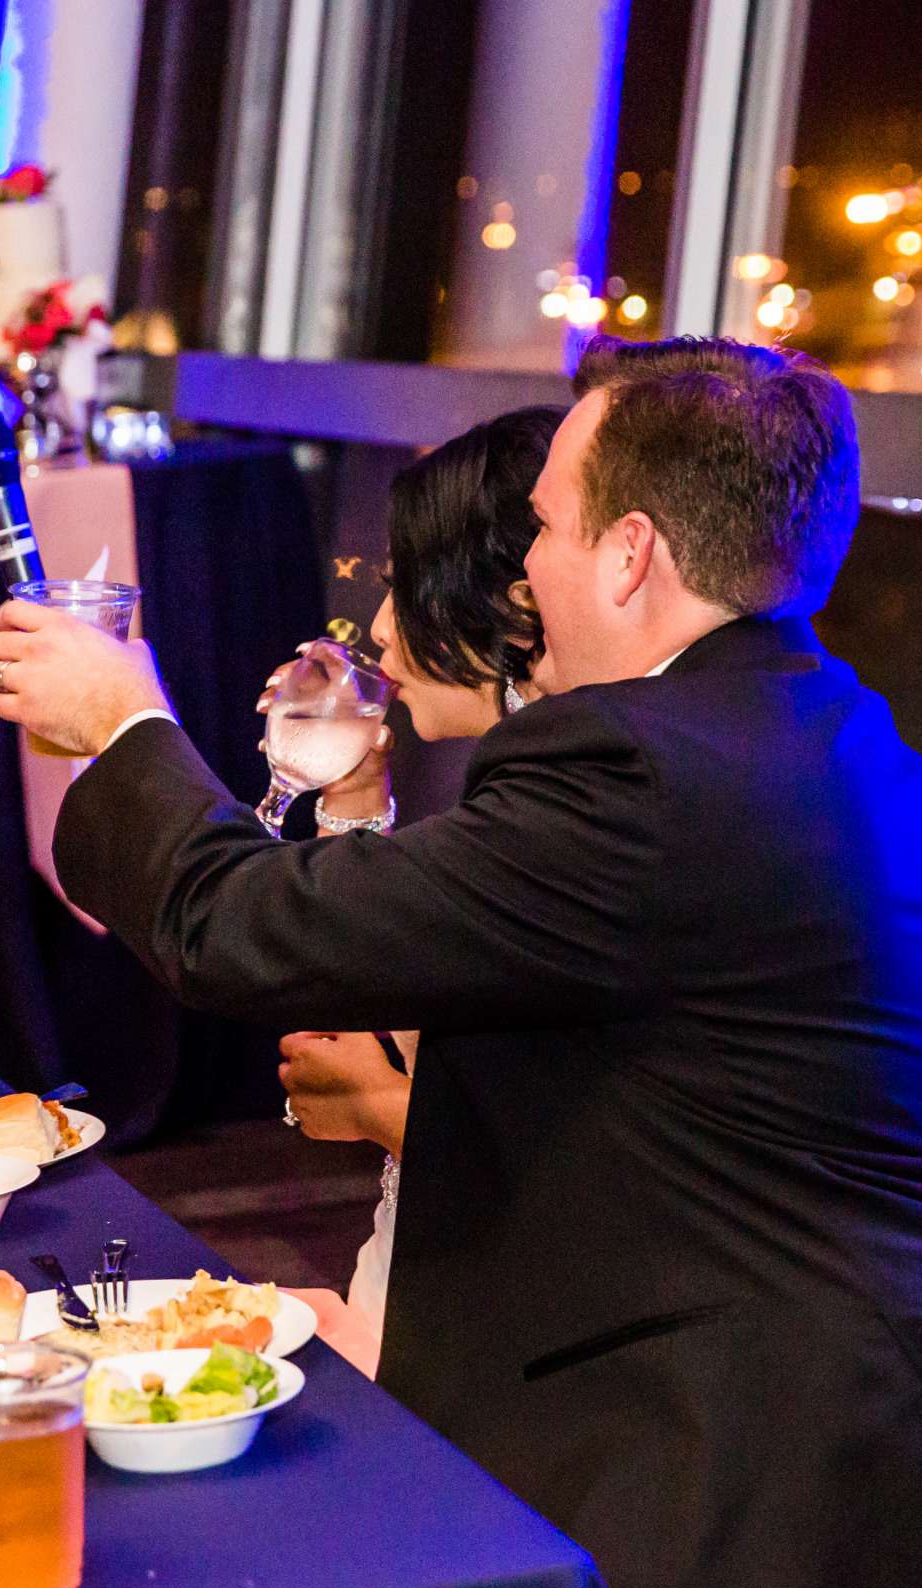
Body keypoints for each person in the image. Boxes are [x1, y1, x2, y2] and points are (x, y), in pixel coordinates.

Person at [0, 335, 922, 1588]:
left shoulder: (651, 773)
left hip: (821, 1490)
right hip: (767, 1392)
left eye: (547, 526)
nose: (521, 566)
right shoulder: (797, 727)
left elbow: (234, 926)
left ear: (629, 556)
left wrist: (123, 721)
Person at [270, 405, 561, 1359]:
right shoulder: (528, 788)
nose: (384, 629)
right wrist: (355, 801)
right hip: (428, 1278)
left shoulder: (576, 818)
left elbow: (568, 1170)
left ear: (515, 602)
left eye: (407, 589)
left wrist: (376, 1112)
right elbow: (406, 985)